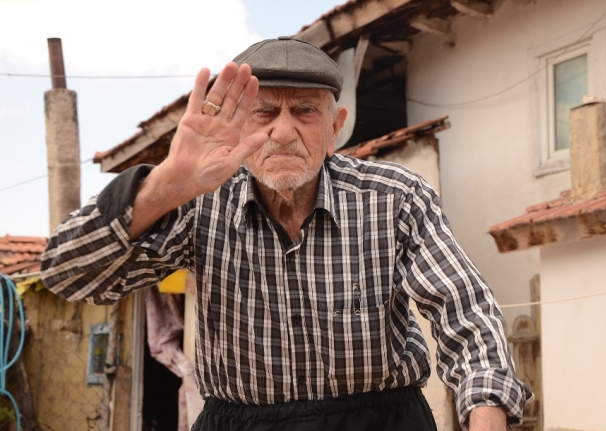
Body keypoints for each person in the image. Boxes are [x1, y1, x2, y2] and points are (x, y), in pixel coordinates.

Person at [41, 37, 532, 431]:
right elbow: (67, 276)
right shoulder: (196, 201)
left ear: (335, 126)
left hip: (381, 418)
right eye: (264, 112)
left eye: (304, 111)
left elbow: (464, 311)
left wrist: (485, 413)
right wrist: (166, 184)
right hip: (241, 421)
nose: (281, 132)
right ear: (235, 126)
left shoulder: (395, 197)